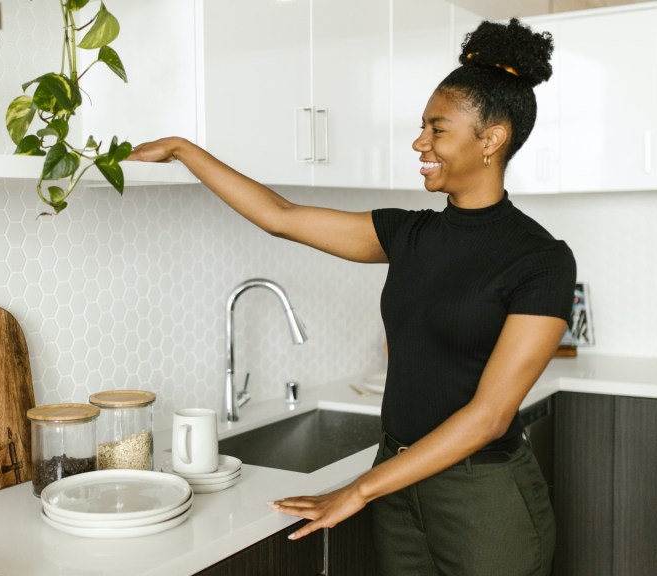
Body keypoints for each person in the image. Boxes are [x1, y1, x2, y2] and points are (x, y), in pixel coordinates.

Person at [129, 18, 574, 576]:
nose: (420, 142)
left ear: (492, 139)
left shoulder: (540, 260)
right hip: (398, 480)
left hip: (482, 495)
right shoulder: (408, 234)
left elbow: (487, 417)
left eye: (437, 129)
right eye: (422, 128)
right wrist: (183, 150)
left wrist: (360, 490)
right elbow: (281, 218)